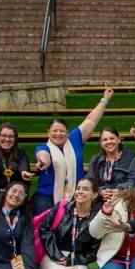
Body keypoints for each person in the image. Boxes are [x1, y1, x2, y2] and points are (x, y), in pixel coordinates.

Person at [32, 86, 114, 214]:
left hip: (76, 194)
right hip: (47, 196)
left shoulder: (74, 139)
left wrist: (105, 100)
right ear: (48, 133)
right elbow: (44, 157)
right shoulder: (43, 148)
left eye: (62, 131)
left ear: (67, 132)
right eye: (54, 131)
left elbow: (91, 120)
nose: (58, 134)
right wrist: (43, 163)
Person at [87, 126, 135, 201]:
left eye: (112, 138)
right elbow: (89, 182)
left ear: (118, 138)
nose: (109, 142)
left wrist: (118, 190)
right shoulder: (95, 160)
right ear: (101, 142)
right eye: (105, 140)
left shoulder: (130, 157)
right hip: (100, 200)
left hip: (123, 199)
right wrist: (101, 191)